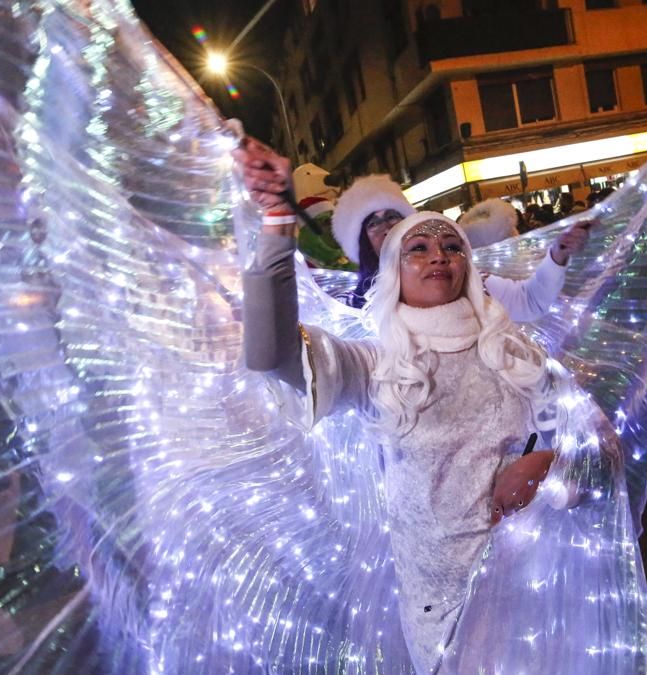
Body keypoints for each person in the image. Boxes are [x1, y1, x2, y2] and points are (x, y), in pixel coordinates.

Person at [236, 141, 610, 671]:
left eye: (451, 246)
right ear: (393, 268)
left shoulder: (513, 351)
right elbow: (270, 355)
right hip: (437, 594)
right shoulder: (374, 364)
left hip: (532, 577)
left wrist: (547, 463)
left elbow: (599, 444)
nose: (438, 254)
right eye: (419, 247)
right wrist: (277, 224)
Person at [330, 173, 587, 315]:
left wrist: (556, 256)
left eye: (392, 215)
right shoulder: (357, 308)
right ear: (362, 240)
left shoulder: (461, 277)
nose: (386, 226)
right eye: (372, 223)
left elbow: (530, 302)